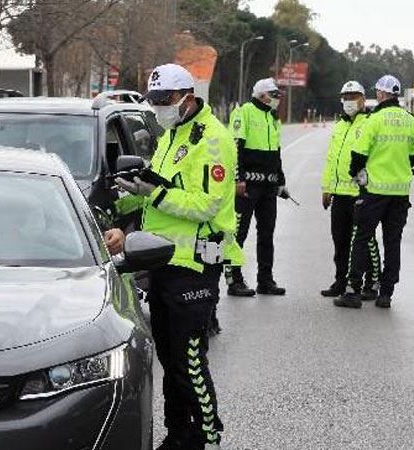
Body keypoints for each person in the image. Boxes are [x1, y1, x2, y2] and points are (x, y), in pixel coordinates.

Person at [114, 63, 236, 450]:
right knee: (169, 359)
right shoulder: (171, 135)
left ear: (188, 95)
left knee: (190, 362)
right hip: (162, 260)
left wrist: (155, 193)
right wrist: (129, 196)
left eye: (165, 100)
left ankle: (206, 436)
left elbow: (205, 205)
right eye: (154, 100)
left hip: (196, 264)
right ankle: (179, 435)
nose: (159, 107)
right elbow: (160, 190)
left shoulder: (213, 139)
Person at [334, 75, 414, 310]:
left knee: (361, 237)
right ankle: (386, 294)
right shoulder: (411, 121)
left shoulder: (374, 120)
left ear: (382, 94)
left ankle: (352, 291)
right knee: (393, 242)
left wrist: (357, 174)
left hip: (373, 191)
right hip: (400, 192)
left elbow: (358, 154)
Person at [228, 78, 290, 297]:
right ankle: (233, 280)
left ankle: (265, 280)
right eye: (274, 95)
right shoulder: (243, 112)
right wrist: (238, 179)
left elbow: (276, 152)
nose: (277, 99)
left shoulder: (273, 118)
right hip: (247, 186)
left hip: (268, 187)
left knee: (267, 234)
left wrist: (280, 182)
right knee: (238, 233)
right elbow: (236, 149)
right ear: (262, 95)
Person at [321, 80, 382, 300]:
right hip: (339, 194)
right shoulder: (339, 126)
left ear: (363, 99)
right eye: (345, 98)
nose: (349, 101)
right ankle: (341, 280)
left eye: (353, 97)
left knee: (365, 241)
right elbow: (331, 160)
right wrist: (327, 188)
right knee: (340, 241)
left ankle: (372, 281)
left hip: (360, 193)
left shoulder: (370, 123)